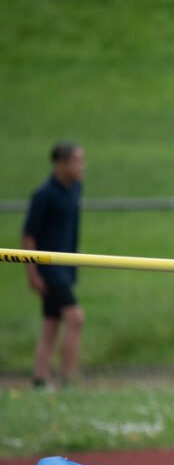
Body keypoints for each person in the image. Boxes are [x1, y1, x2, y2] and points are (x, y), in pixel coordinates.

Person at [22, 142, 87, 389]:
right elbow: (28, 235)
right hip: (49, 269)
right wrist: (32, 273)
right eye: (76, 161)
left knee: (51, 323)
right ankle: (68, 377)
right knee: (76, 318)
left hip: (66, 266)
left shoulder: (76, 188)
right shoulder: (44, 195)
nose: (82, 166)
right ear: (60, 164)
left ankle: (40, 378)